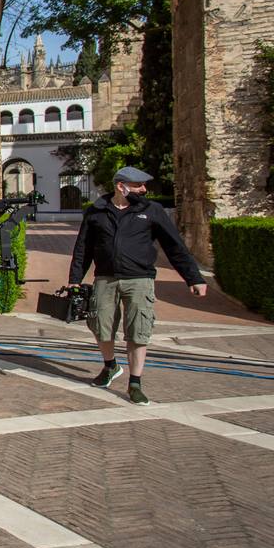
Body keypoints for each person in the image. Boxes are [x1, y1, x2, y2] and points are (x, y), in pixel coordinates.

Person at [69, 166, 208, 405]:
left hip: (140, 279)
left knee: (138, 329)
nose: (144, 189)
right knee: (100, 325)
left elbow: (174, 246)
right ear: (121, 186)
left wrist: (193, 277)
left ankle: (135, 382)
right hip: (105, 278)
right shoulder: (96, 212)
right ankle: (110, 366)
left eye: (144, 185)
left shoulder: (151, 210)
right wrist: (75, 279)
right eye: (138, 185)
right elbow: (83, 248)